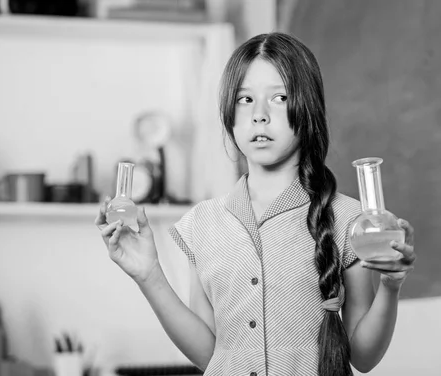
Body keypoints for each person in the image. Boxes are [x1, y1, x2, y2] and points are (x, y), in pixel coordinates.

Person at [95, 32, 416, 376]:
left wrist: (390, 286)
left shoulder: (350, 219)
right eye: (245, 99)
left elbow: (363, 358)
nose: (259, 115)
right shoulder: (202, 223)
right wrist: (148, 275)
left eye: (279, 97)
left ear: (307, 112)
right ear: (229, 117)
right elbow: (210, 354)